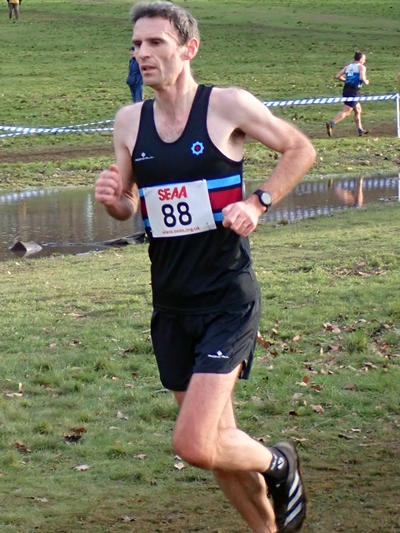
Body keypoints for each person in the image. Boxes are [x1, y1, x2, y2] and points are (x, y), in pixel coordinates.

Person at [95, 2, 316, 532]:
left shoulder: (226, 105)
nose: (143, 54)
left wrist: (257, 202)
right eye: (136, 45)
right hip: (171, 302)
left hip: (225, 297)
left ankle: (279, 462)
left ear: (188, 48)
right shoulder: (130, 121)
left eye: (156, 43)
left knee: (195, 443)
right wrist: (112, 200)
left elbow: (299, 148)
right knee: (219, 445)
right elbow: (131, 205)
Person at [326, 51, 370, 138]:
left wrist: (346, 80)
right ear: (361, 59)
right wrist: (366, 81)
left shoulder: (348, 66)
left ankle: (360, 130)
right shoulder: (361, 67)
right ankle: (332, 123)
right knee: (346, 112)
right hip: (353, 91)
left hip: (346, 90)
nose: (364, 61)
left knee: (358, 110)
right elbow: (362, 78)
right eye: (364, 59)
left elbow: (337, 76)